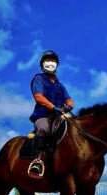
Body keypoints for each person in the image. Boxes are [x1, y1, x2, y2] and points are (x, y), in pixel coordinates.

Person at [27, 50, 74, 178]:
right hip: (43, 115)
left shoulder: (60, 85)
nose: (50, 63)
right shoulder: (39, 79)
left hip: (60, 115)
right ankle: (38, 161)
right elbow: (39, 97)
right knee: (44, 128)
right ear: (42, 64)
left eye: (53, 61)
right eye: (47, 61)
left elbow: (69, 99)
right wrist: (53, 107)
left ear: (57, 65)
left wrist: (69, 105)